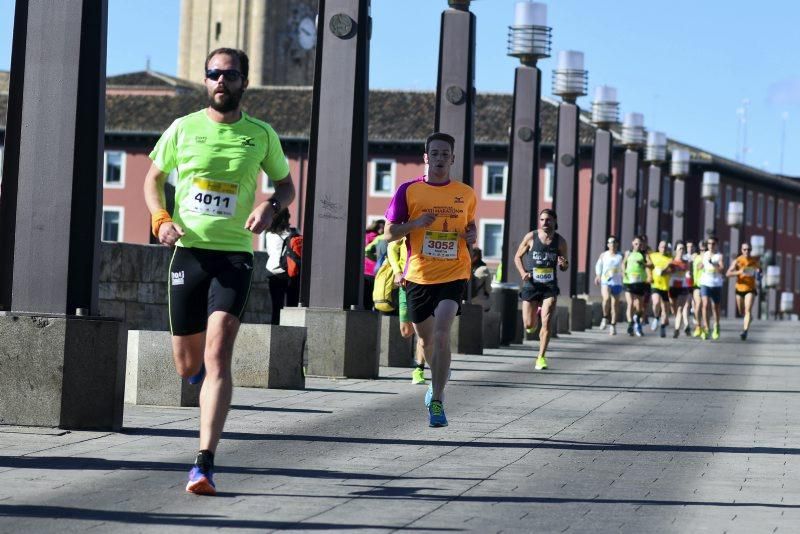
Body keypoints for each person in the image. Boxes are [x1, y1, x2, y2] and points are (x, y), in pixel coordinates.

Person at [144, 48, 295, 495]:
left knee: (217, 357)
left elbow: (286, 185)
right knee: (187, 363)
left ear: (244, 82)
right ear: (205, 81)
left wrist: (271, 207)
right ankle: (196, 378)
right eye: (213, 74)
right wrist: (160, 220)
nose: (221, 81)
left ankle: (204, 462)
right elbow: (152, 180)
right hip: (188, 254)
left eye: (230, 74)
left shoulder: (261, 135)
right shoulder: (183, 129)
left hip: (234, 257)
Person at [384, 132, 477, 427]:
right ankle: (433, 379)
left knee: (441, 333)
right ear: (426, 158)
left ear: (452, 158)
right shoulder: (408, 191)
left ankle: (437, 399)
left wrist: (472, 236)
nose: (439, 159)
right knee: (426, 341)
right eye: (433, 154)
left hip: (454, 272)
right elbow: (389, 233)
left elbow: (470, 228)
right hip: (419, 276)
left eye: (444, 154)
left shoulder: (466, 193)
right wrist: (415, 224)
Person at [515, 209, 569, 370]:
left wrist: (562, 264)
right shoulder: (531, 237)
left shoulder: (560, 242)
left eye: (548, 220)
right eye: (542, 220)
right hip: (531, 284)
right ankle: (535, 317)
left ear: (555, 221)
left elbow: (565, 265)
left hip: (549, 285)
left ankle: (541, 357)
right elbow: (517, 256)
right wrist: (523, 272)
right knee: (529, 325)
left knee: (547, 322)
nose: (545, 222)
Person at [387, 237, 427, 384]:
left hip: (428, 283)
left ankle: (419, 369)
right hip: (406, 283)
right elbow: (391, 248)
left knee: (422, 331)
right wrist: (397, 272)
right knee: (406, 332)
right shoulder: (407, 226)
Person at [264, 209, 300, 325]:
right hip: (292, 272)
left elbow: (270, 252)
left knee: (277, 307)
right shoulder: (294, 232)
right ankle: (292, 331)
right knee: (292, 306)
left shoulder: (269, 234)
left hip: (274, 273)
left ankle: (274, 332)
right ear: (287, 217)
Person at [726, 242, 761, 340]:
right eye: (745, 249)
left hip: (750, 289)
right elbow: (728, 273)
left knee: (747, 310)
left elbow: (759, 272)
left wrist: (758, 273)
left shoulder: (754, 260)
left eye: (749, 249)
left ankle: (745, 331)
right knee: (741, 311)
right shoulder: (738, 260)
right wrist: (739, 272)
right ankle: (749, 318)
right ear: (741, 250)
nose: (747, 251)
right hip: (739, 288)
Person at [594, 235, 623, 335]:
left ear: (617, 244)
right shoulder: (604, 255)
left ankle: (613, 325)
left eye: (614, 242)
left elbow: (624, 268)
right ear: (607, 244)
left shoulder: (620, 256)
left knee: (615, 305)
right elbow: (598, 265)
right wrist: (598, 275)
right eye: (610, 242)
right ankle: (605, 317)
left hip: (617, 282)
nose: (612, 244)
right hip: (606, 281)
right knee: (606, 299)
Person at [623, 236, 651, 336]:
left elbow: (650, 264)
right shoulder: (628, 253)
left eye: (640, 244)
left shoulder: (644, 254)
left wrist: (643, 263)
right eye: (636, 243)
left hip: (640, 282)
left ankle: (636, 318)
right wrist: (624, 273)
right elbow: (623, 263)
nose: (638, 246)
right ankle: (630, 324)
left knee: (639, 307)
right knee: (630, 303)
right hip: (628, 281)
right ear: (632, 243)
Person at [699, 236, 726, 340]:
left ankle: (717, 325)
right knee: (705, 305)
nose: (711, 245)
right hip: (705, 282)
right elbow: (700, 265)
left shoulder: (719, 256)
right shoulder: (704, 254)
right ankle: (706, 328)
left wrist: (712, 264)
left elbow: (722, 269)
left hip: (716, 284)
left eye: (713, 243)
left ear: (717, 245)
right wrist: (699, 265)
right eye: (709, 244)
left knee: (715, 307)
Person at [649, 240, 673, 338]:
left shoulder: (670, 258)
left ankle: (662, 327)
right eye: (662, 247)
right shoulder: (653, 256)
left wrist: (666, 271)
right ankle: (656, 317)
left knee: (665, 310)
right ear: (658, 248)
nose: (664, 249)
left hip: (665, 287)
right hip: (655, 284)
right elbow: (649, 266)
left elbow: (672, 270)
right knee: (656, 302)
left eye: (666, 247)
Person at [667, 241, 691, 337]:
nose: (681, 250)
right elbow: (667, 272)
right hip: (672, 287)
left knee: (680, 308)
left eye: (682, 249)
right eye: (679, 248)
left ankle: (676, 330)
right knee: (674, 309)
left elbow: (689, 274)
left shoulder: (686, 262)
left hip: (683, 287)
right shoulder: (671, 261)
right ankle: (678, 322)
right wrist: (672, 270)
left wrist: (689, 277)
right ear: (675, 250)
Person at [363, 219, 385, 309]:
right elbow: (367, 251)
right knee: (373, 294)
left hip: (364, 270)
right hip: (373, 270)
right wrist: (377, 258)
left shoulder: (366, 235)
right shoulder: (377, 238)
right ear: (380, 228)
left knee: (365, 294)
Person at [691, 240, 707, 337]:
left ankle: (705, 327)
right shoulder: (695, 257)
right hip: (697, 284)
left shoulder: (710, 257)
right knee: (698, 304)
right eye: (701, 248)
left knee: (705, 306)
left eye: (705, 249)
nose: (703, 251)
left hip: (707, 284)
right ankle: (698, 326)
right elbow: (698, 266)